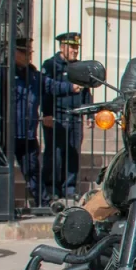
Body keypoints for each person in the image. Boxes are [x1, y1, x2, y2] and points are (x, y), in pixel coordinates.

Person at [0, 37, 77, 206]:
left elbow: (52, 86)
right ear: (13, 53)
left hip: (27, 134)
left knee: (33, 170)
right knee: (1, 171)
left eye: (29, 53)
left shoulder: (33, 76)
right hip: (6, 133)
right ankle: (1, 205)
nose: (28, 57)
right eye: (24, 53)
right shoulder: (1, 74)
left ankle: (43, 204)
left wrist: (71, 87)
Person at [41, 31, 92, 199]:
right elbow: (45, 91)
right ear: (62, 47)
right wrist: (46, 113)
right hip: (56, 116)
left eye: (77, 48)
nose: (75, 51)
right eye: (72, 47)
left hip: (75, 116)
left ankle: (69, 189)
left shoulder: (79, 67)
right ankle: (52, 189)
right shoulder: (51, 66)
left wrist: (90, 113)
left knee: (73, 154)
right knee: (54, 155)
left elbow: (86, 93)